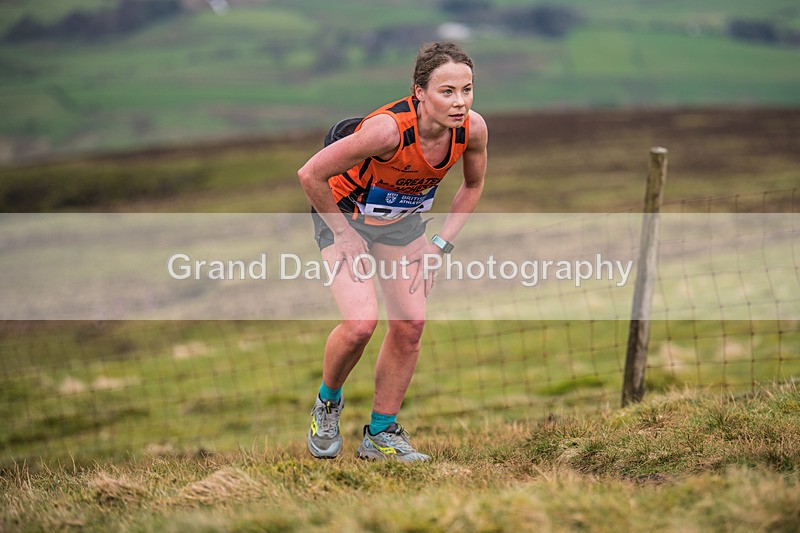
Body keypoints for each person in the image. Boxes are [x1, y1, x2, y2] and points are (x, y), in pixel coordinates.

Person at [297, 41, 488, 462]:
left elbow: (472, 186)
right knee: (361, 324)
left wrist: (440, 245)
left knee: (411, 325)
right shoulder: (387, 131)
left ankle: (381, 435)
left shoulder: (472, 129)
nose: (460, 102)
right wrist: (343, 234)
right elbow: (310, 174)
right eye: (447, 91)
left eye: (467, 90)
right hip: (343, 216)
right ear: (419, 92)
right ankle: (327, 405)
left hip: (401, 226)